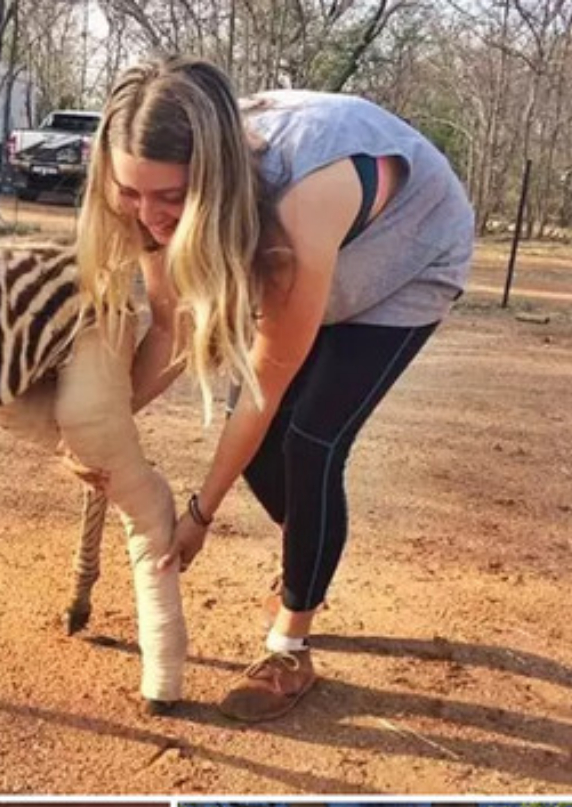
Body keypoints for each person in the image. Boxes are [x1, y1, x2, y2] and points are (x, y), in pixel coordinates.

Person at [77, 55, 475, 721]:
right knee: (262, 454)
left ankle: (291, 642)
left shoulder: (300, 200)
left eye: (171, 199)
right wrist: (97, 427)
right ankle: (309, 558)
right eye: (132, 194)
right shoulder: (148, 197)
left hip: (408, 261)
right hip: (320, 249)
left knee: (309, 442)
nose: (149, 217)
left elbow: (267, 380)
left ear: (212, 179)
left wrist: (199, 515)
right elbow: (173, 326)